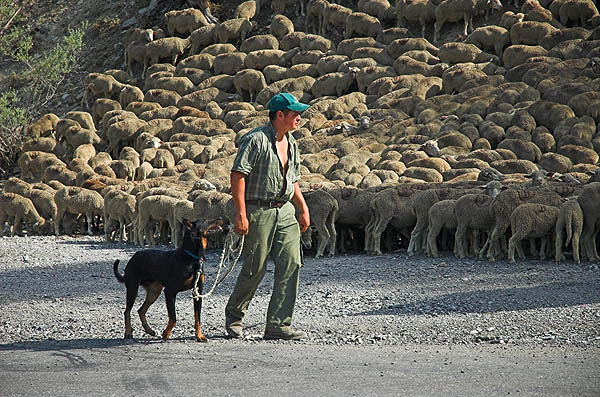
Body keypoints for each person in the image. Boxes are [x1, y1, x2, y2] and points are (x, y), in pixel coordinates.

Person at [224, 92, 311, 341]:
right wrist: (241, 214)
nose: (299, 117)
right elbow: (238, 175)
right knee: (256, 266)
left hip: (284, 210)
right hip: (258, 210)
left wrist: (302, 208)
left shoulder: (291, 142)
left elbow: (292, 179)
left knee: (292, 263)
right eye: (295, 113)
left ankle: (278, 325)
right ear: (280, 114)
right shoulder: (255, 140)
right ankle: (235, 316)